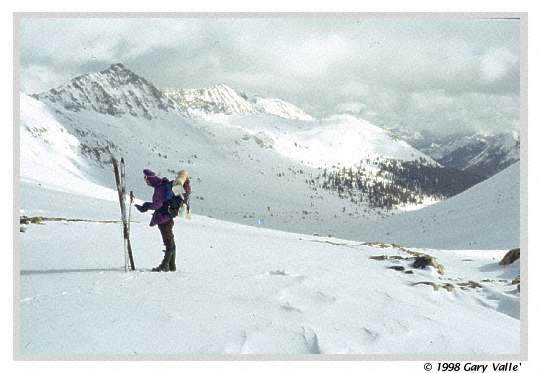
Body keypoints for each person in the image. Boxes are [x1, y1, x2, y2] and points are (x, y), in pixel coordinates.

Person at [135, 169, 191, 272]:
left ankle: (165, 265)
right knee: (170, 239)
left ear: (149, 179)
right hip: (169, 216)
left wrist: (146, 206)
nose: (145, 182)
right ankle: (172, 265)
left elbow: (158, 204)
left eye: (145, 179)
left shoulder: (159, 189)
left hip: (163, 217)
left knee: (168, 240)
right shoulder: (163, 184)